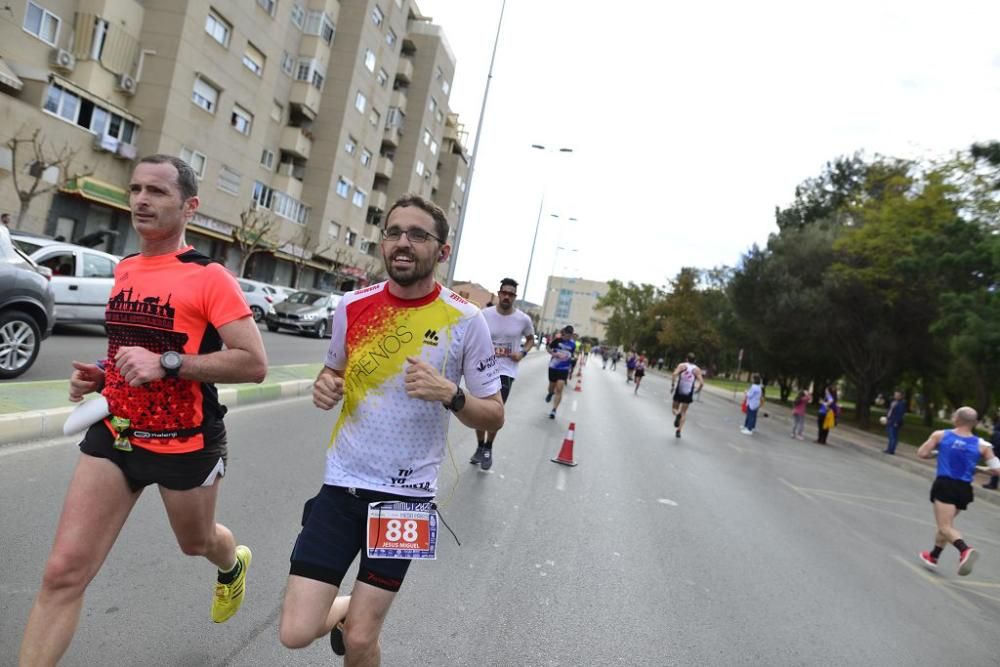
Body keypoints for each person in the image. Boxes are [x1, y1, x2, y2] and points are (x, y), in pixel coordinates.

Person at [19, 155, 268, 666]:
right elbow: (128, 350)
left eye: (156, 191)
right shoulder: (127, 268)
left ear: (189, 205)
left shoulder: (210, 277)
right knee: (63, 572)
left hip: (184, 441)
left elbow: (253, 363)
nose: (140, 200)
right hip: (116, 433)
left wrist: (169, 363)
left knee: (196, 542)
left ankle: (231, 561)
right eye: (135, 189)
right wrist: (101, 375)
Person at [278, 194, 504, 664]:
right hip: (341, 487)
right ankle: (346, 610)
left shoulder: (467, 320)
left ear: (441, 251)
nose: (403, 243)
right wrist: (326, 386)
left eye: (418, 234)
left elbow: (494, 413)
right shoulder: (352, 305)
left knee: (361, 640)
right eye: (394, 232)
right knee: (295, 633)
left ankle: (355, 620)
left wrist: (451, 394)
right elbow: (334, 372)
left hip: (408, 499)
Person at [916, 407, 1000, 575]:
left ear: (956, 419)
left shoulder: (940, 435)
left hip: (945, 484)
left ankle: (964, 550)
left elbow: (922, 453)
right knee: (946, 525)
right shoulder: (982, 445)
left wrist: (937, 453)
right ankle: (933, 556)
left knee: (945, 526)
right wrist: (979, 469)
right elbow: (997, 470)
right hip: (964, 489)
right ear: (974, 423)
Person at [470, 277, 534, 470]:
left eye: (511, 294)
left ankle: (489, 447)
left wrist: (522, 352)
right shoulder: (484, 315)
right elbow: (472, 337)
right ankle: (480, 446)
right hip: (483, 369)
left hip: (506, 371)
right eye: (504, 293)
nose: (507, 296)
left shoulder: (523, 319)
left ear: (515, 296)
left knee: (494, 411)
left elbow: (530, 339)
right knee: (479, 413)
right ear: (498, 293)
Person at [545, 325, 577, 419]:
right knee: (551, 387)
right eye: (567, 334)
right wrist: (554, 353)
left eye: (570, 335)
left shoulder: (573, 344)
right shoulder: (557, 340)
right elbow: (548, 348)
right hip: (553, 367)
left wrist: (571, 360)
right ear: (564, 333)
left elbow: (572, 355)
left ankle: (554, 410)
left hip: (564, 368)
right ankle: (550, 393)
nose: (568, 336)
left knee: (559, 389)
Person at [670, 353, 704, 438]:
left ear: (686, 359)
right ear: (695, 360)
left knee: (674, 409)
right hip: (688, 392)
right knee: (684, 412)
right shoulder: (697, 369)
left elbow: (674, 374)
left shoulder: (682, 365)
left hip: (679, 390)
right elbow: (702, 383)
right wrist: (698, 390)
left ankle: (677, 414)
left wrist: (673, 385)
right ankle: (679, 430)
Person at [883, 390, 906, 455]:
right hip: (890, 420)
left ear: (900, 396)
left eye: (897, 395)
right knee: (890, 435)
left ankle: (891, 450)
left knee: (893, 436)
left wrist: (896, 422)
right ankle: (889, 448)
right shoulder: (893, 402)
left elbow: (900, 414)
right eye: (895, 395)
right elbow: (890, 410)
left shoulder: (901, 403)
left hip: (894, 422)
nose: (895, 396)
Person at [982, 409, 1000, 490]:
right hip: (997, 446)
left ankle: (993, 484)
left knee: (996, 464)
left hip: (998, 446)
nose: (998, 411)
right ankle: (993, 483)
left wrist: (993, 433)